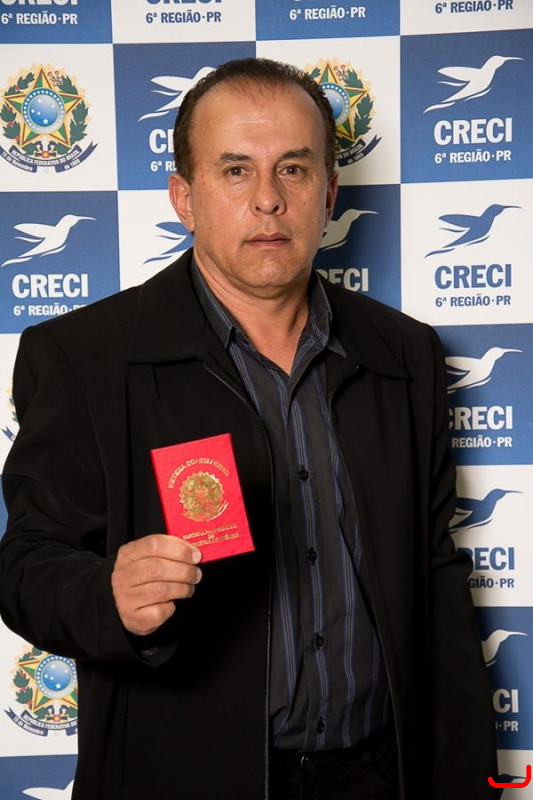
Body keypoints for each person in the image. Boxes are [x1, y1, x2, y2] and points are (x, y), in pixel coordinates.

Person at [0, 58, 499, 800]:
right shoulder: (82, 357)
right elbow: (27, 565)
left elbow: (435, 574)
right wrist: (107, 594)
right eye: (235, 171)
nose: (268, 199)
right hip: (182, 778)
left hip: (379, 775)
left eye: (293, 169)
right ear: (184, 197)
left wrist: (468, 776)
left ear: (328, 193)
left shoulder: (406, 354)